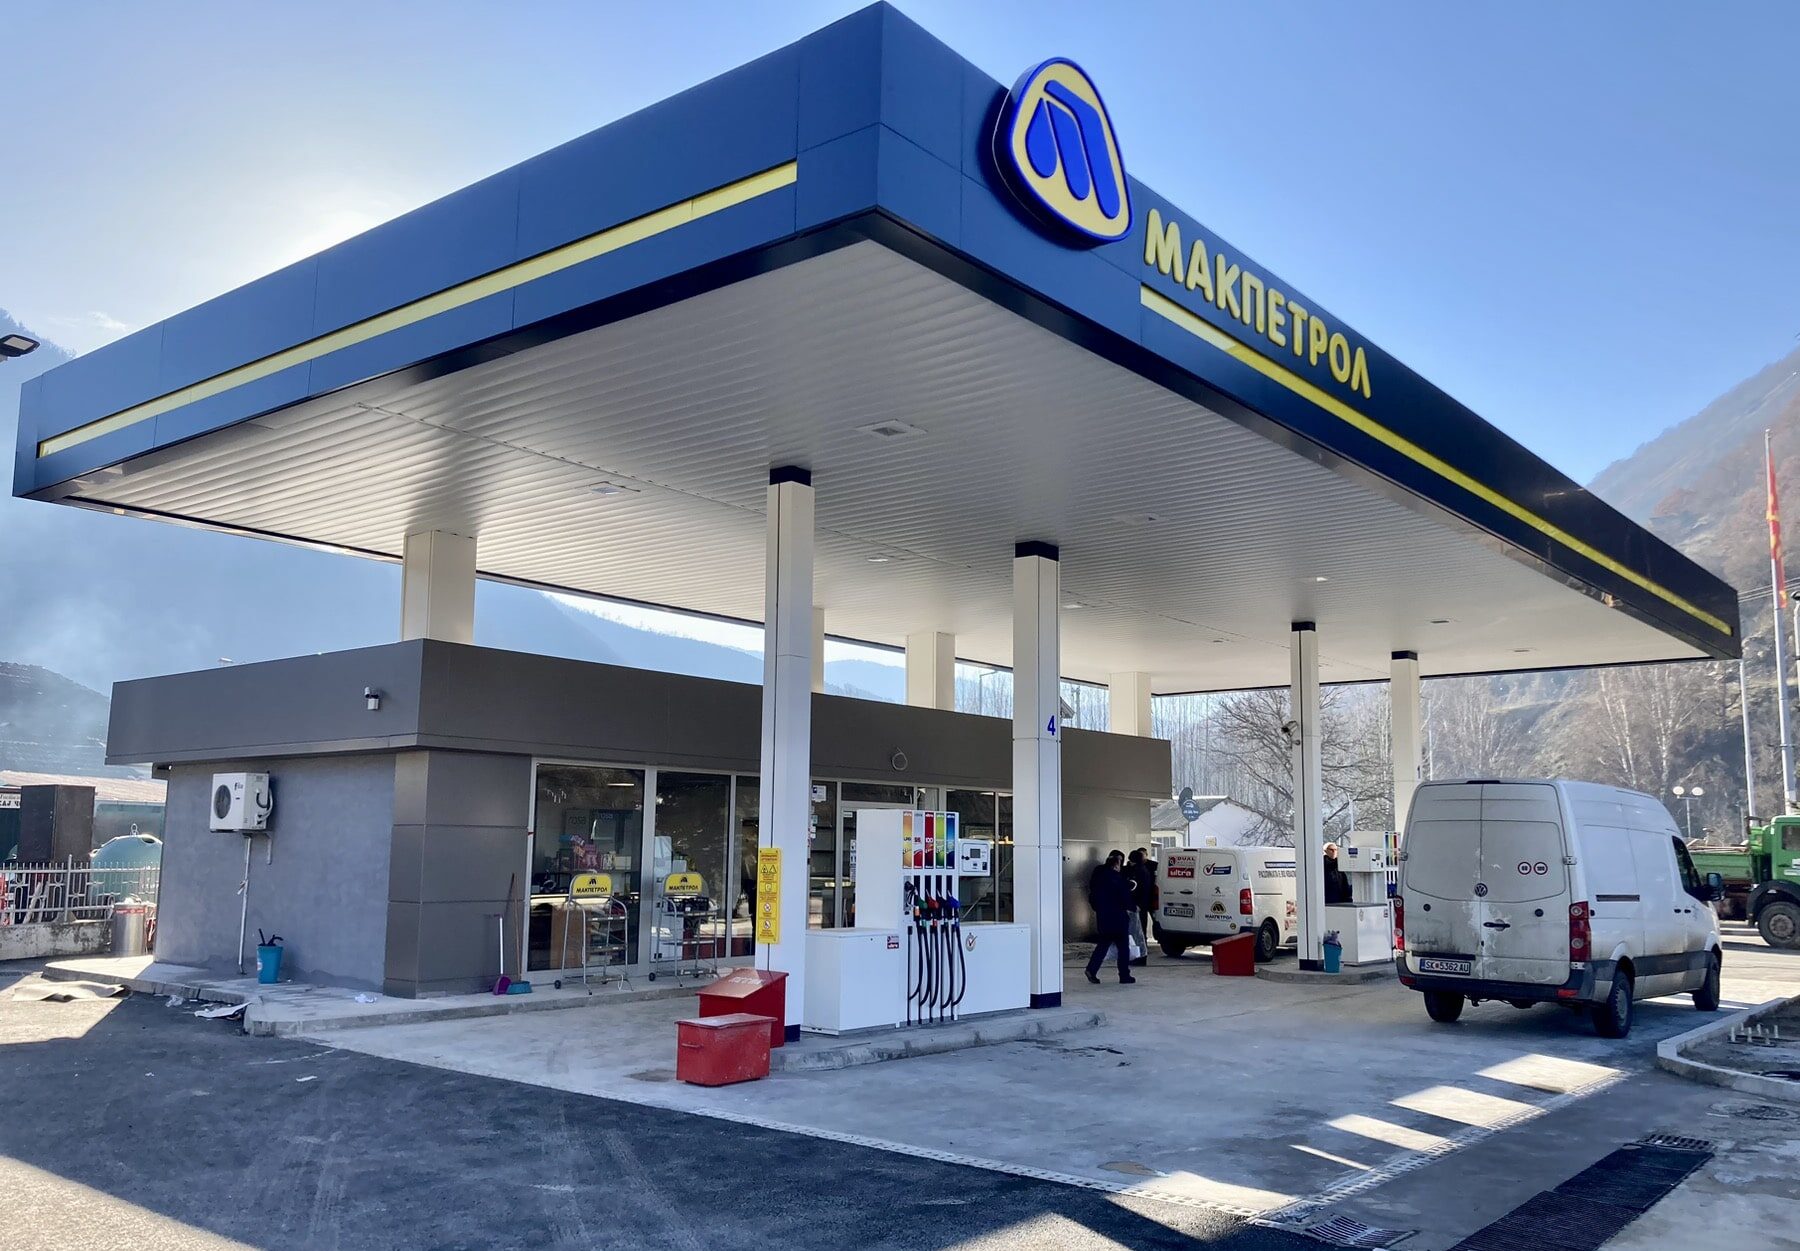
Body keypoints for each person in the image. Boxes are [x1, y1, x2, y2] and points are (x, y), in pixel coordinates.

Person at [1085, 850, 1137, 985]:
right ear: (1116, 865)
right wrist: (1133, 907)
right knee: (1123, 948)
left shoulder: (1099, 878)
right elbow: (1125, 897)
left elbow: (1093, 897)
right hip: (1118, 918)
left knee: (1103, 945)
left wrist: (1099, 909)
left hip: (1103, 917)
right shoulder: (1118, 879)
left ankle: (1091, 969)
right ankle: (1124, 975)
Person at [1125, 847, 1157, 966]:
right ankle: (1139, 955)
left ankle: (1139, 956)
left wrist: (1137, 904)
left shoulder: (1139, 871)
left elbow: (1140, 890)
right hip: (1140, 904)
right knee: (1138, 931)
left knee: (1137, 932)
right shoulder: (1142, 869)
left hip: (1137, 905)